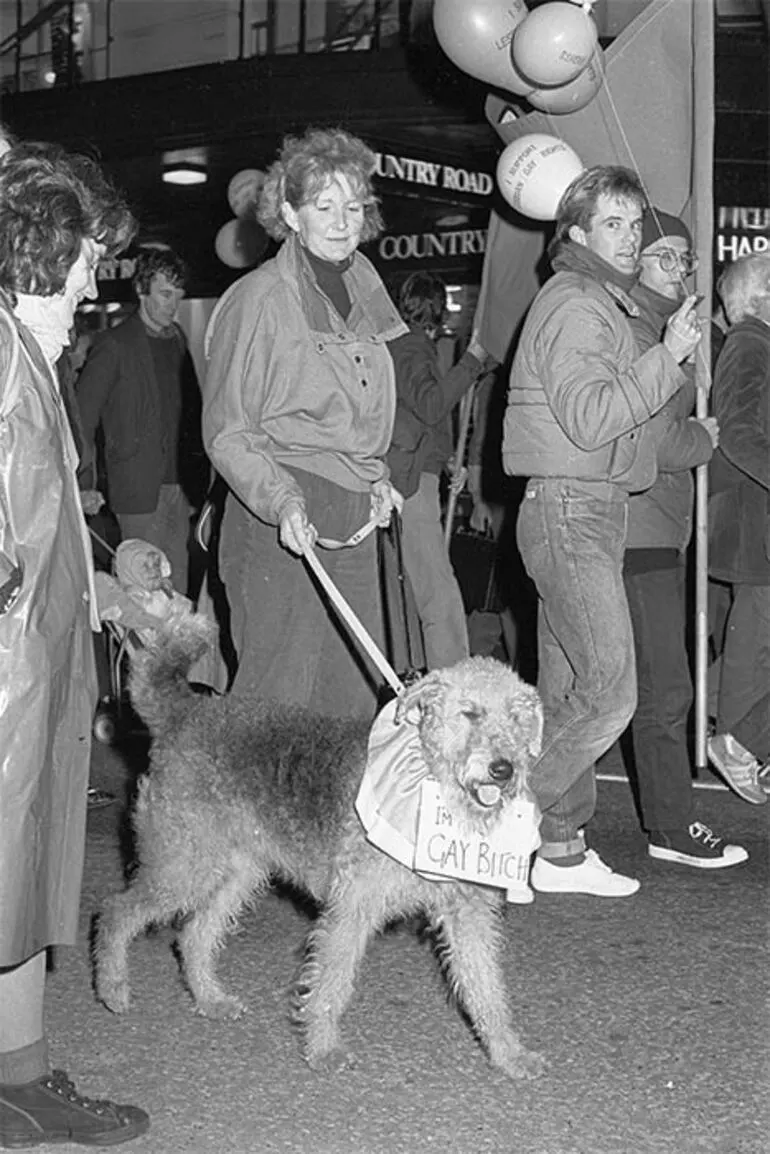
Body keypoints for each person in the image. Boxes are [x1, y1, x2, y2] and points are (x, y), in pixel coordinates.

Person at [0, 142, 149, 1147]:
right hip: (7, 672)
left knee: (19, 883)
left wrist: (97, 581)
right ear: (44, 247)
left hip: (34, 664)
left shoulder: (27, 354)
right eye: (90, 254)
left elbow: (36, 522)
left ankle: (20, 1077)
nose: (97, 278)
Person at [502, 166, 701, 897]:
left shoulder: (600, 303)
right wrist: (667, 357)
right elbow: (591, 418)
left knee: (567, 688)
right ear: (577, 234)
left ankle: (558, 849)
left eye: (632, 222)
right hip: (571, 510)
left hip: (589, 508)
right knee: (612, 691)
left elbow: (621, 436)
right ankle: (495, 818)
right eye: (612, 223)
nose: (629, 236)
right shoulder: (579, 304)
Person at [202, 127, 407, 718]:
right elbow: (229, 431)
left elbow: (361, 412)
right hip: (279, 516)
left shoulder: (365, 289)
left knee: (352, 701)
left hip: (354, 516)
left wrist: (376, 477)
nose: (343, 221)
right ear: (290, 212)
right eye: (324, 206)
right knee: (276, 705)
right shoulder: (259, 297)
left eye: (353, 206)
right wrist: (283, 501)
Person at [622, 208, 747, 867]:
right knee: (662, 687)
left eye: (685, 259)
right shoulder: (641, 330)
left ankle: (558, 829)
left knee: (624, 686)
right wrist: (703, 439)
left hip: (656, 526)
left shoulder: (670, 329)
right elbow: (649, 435)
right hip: (634, 526)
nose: (679, 270)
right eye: (664, 257)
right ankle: (669, 826)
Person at [77, 246, 208, 597]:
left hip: (178, 486)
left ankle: (176, 654)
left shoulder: (177, 338)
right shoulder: (113, 345)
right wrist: (84, 482)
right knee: (143, 592)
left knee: (176, 586)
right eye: (165, 294)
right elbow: (82, 419)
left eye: (177, 296)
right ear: (141, 290)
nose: (172, 304)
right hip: (136, 487)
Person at [386, 271, 490, 669]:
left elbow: (419, 415)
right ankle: (454, 675)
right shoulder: (412, 347)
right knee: (437, 588)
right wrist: (471, 363)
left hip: (414, 474)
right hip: (413, 482)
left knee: (425, 583)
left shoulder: (406, 347)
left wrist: (446, 462)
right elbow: (431, 405)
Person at [707, 251, 770, 805]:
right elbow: (737, 431)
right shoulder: (750, 343)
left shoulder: (754, 343)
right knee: (753, 639)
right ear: (760, 295)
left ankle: (731, 727)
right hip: (756, 518)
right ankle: (737, 738)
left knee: (755, 640)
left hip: (756, 516)